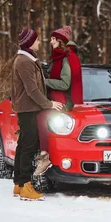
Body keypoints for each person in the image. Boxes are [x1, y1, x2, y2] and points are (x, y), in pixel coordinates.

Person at [11, 29, 61, 201]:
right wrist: (49, 104)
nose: (39, 42)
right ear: (29, 42)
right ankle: (26, 185)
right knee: (29, 146)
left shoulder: (26, 58)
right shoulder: (24, 61)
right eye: (37, 40)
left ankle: (18, 184)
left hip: (27, 108)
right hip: (28, 109)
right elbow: (32, 89)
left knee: (23, 144)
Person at [35, 25, 83, 175]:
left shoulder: (67, 59)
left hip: (64, 101)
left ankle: (45, 156)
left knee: (43, 117)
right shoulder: (58, 57)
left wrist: (44, 81)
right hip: (55, 99)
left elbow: (64, 83)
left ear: (60, 41)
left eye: (53, 39)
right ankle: (40, 154)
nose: (51, 42)